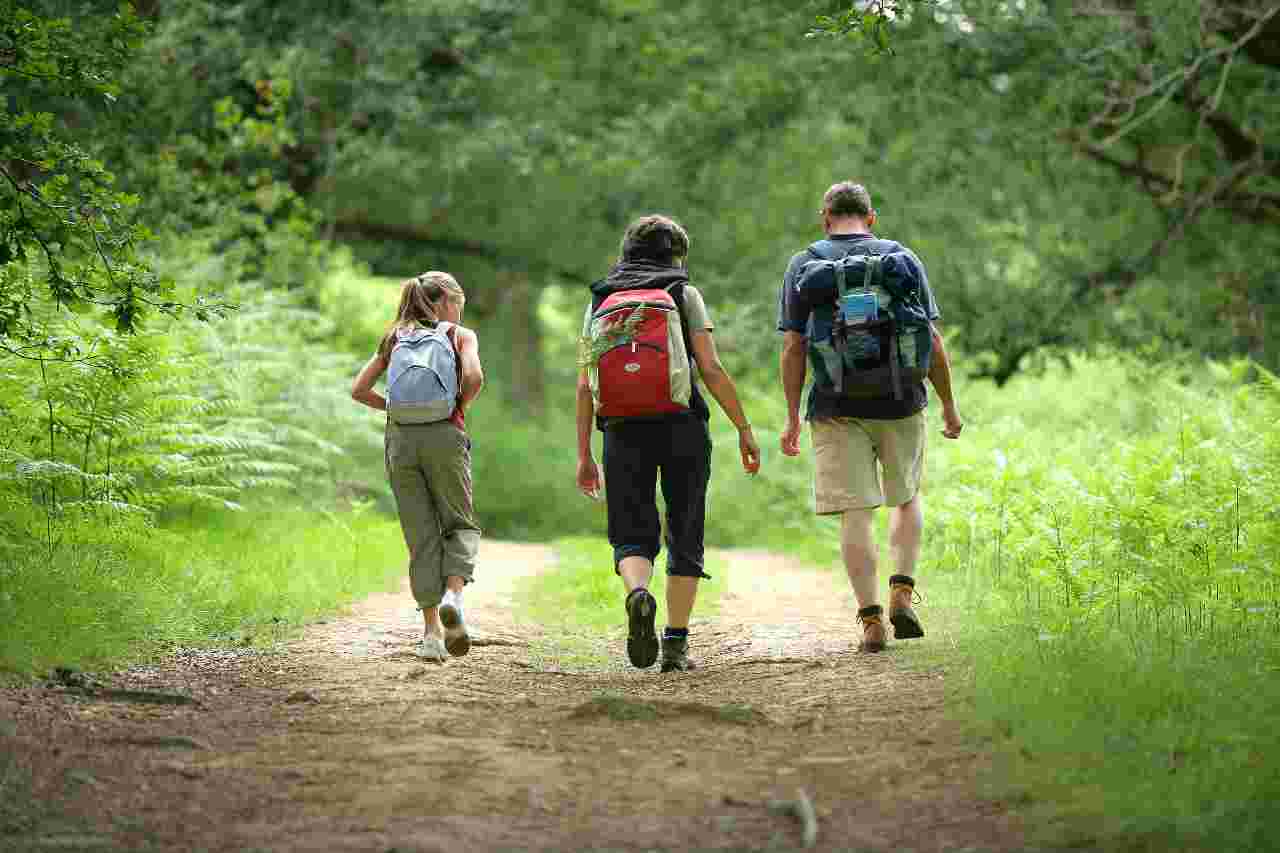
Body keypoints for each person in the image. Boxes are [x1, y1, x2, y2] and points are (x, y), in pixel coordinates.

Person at [778, 182, 962, 652]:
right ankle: (901, 589)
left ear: (825, 219)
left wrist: (792, 417)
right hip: (902, 400)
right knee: (905, 498)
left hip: (836, 406)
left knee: (855, 514)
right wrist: (948, 404)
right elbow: (932, 338)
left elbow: (794, 346)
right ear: (871, 217)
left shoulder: (805, 265)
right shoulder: (901, 259)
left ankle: (872, 621)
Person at [576, 215, 761, 672]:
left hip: (620, 427)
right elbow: (711, 367)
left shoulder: (602, 298)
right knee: (685, 526)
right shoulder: (684, 294)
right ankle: (675, 644)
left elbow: (585, 383)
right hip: (682, 424)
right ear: (676, 255)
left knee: (631, 530)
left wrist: (583, 453)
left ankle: (639, 594)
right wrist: (743, 427)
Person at [351, 272, 484, 663]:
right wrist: (458, 406)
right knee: (459, 523)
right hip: (445, 434)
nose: (460, 312)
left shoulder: (395, 337)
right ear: (444, 301)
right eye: (458, 304)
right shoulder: (459, 336)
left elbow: (359, 390)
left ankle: (430, 635)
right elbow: (474, 377)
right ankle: (454, 598)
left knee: (420, 534)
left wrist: (392, 409)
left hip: (401, 441)